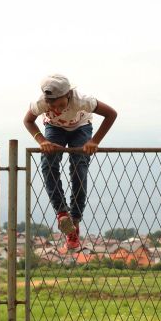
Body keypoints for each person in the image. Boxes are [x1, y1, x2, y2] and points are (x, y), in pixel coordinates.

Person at [23, 74, 117, 250]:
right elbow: (27, 121)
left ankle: (74, 221)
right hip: (54, 128)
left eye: (60, 105)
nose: (57, 110)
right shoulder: (40, 104)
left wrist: (94, 141)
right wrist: (42, 140)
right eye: (52, 106)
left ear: (68, 95)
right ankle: (61, 213)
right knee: (48, 164)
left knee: (78, 168)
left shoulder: (82, 101)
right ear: (46, 101)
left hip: (81, 127)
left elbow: (111, 114)